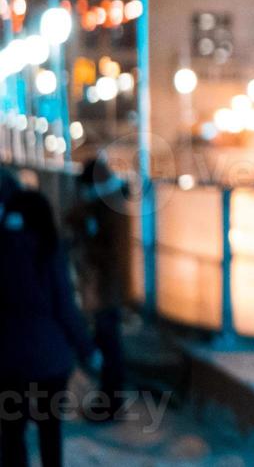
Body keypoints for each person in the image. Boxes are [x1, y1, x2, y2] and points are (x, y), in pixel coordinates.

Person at [0, 188, 94, 467]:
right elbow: (65, 306)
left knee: (11, 431)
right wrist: (86, 348)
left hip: (8, 358)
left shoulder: (2, 249)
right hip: (49, 359)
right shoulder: (50, 250)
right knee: (49, 428)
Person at [67, 157, 133, 415]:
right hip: (104, 289)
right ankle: (108, 399)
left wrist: (89, 241)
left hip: (107, 290)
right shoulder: (106, 203)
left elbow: (112, 254)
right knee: (107, 342)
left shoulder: (111, 208)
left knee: (109, 344)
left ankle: (111, 402)